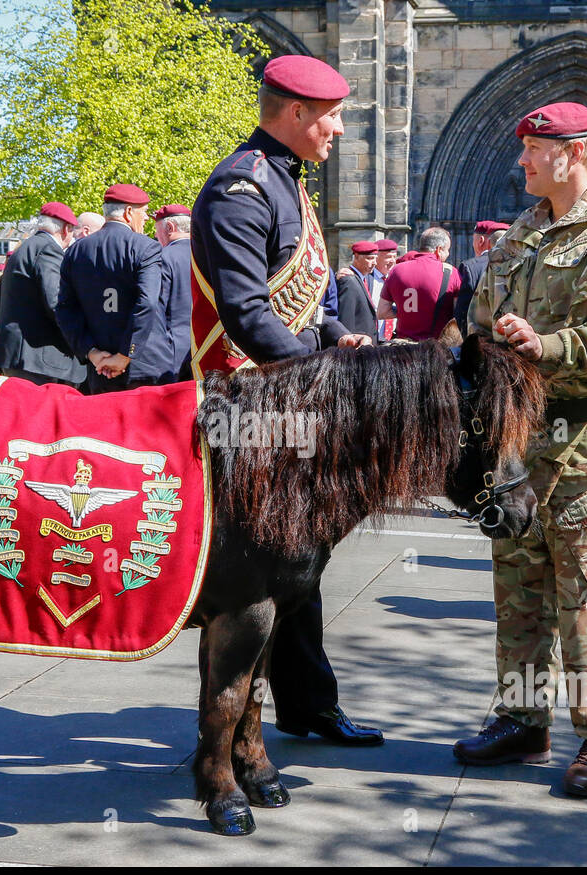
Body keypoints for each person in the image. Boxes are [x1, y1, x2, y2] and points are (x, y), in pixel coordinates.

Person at [453, 102, 587, 798]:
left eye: (534, 151)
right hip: (519, 447)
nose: (522, 162)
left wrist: (548, 346)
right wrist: (495, 344)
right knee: (518, 593)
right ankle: (521, 719)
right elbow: (479, 318)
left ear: (573, 154)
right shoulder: (518, 235)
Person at [190, 53, 379, 747]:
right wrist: (322, 372)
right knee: (274, 563)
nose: (336, 130)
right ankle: (244, 727)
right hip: (241, 401)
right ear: (295, 114)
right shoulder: (241, 188)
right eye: (330, 117)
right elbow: (245, 312)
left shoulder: (287, 183)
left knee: (303, 556)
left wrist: (339, 339)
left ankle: (306, 704)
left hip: (286, 395)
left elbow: (307, 304)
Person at [56, 183, 172, 391]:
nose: (146, 219)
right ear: (129, 212)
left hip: (100, 366)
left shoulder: (76, 251)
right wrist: (126, 354)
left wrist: (91, 352)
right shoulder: (146, 247)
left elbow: (65, 309)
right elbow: (147, 302)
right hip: (144, 365)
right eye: (144, 212)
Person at [0, 201, 85, 387]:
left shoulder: (22, 249)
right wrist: (83, 343)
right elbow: (57, 303)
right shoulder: (49, 249)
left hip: (17, 355)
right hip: (41, 359)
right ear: (66, 229)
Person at [377, 226, 461, 341]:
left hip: (404, 348)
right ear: (439, 249)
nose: (448, 254)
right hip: (436, 349)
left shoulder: (396, 270)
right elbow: (459, 313)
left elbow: (382, 312)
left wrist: (406, 310)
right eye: (447, 250)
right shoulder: (451, 272)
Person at [153, 204, 194, 380]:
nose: (155, 235)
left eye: (157, 230)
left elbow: (157, 306)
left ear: (170, 228)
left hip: (174, 351)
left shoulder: (163, 257)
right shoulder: (209, 255)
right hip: (210, 345)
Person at [452, 220, 510, 336]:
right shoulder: (522, 266)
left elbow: (462, 312)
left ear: (483, 242)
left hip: (480, 341)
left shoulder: (470, 267)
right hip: (510, 337)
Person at [335, 240, 381, 341]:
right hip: (356, 344)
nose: (374, 263)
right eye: (370, 258)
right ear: (356, 257)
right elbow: (346, 318)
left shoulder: (365, 278)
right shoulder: (349, 280)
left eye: (375, 259)